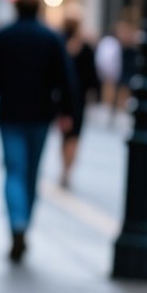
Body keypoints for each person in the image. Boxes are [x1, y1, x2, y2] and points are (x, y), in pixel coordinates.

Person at [0, 0, 78, 263]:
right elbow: (65, 79)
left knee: (13, 171)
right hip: (40, 115)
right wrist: (67, 112)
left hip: (10, 114)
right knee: (32, 173)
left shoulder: (4, 36)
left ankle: (17, 224)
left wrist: (7, 84)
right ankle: (25, 224)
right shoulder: (51, 38)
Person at [59, 16, 101, 189]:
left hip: (61, 98)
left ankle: (65, 167)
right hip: (78, 99)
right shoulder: (85, 47)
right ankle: (67, 169)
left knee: (65, 135)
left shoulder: (59, 44)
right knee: (74, 136)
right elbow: (93, 76)